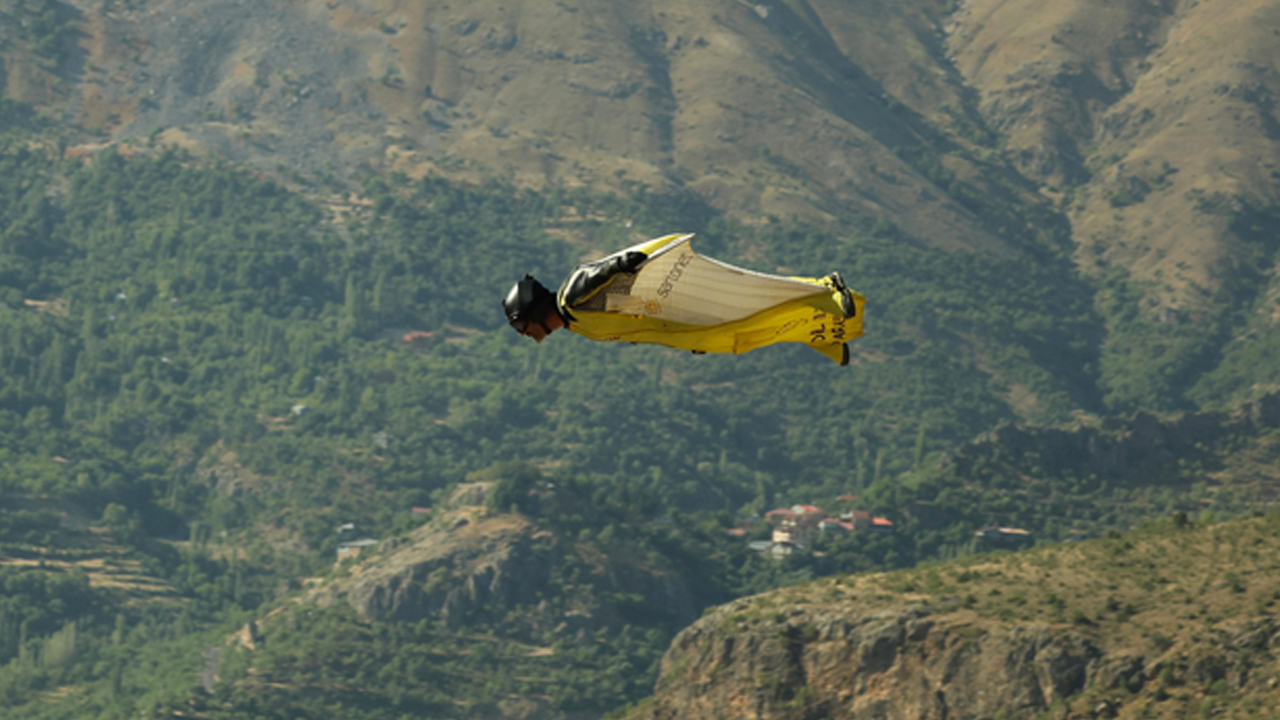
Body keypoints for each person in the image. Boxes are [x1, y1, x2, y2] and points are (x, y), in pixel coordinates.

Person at [502, 233, 864, 365]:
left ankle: (827, 291)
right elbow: (635, 328)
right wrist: (685, 338)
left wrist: (627, 263)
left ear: (533, 312)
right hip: (676, 323)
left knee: (748, 302)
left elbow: (603, 272)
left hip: (677, 303)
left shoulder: (572, 298)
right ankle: (825, 331)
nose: (524, 333)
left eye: (521, 325)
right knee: (745, 336)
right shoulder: (578, 325)